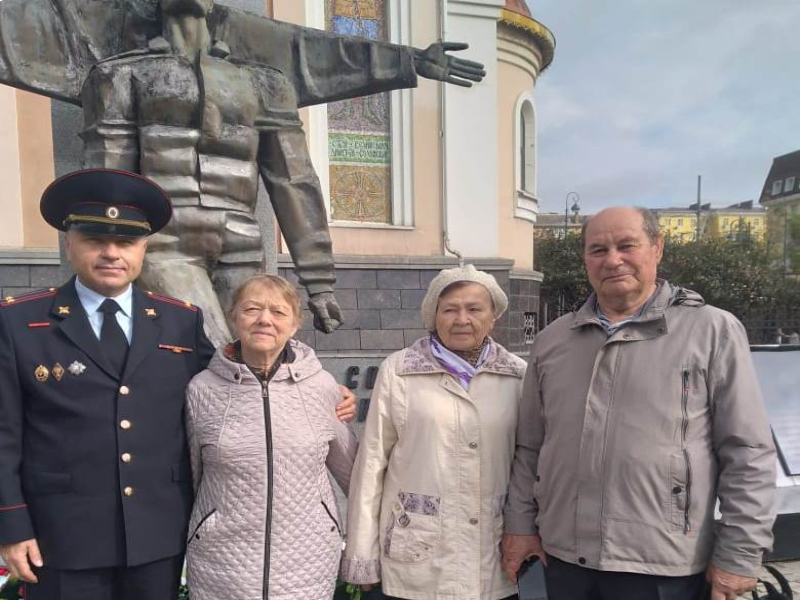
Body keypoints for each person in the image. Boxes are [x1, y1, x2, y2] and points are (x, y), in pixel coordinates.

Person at [0, 168, 357, 600]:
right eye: (95, 240)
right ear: (70, 243)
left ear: (144, 248)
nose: (112, 253)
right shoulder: (21, 323)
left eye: (126, 242)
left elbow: (234, 381)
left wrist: (317, 391)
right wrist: (12, 525)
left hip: (156, 534)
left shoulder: (178, 320)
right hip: (63, 533)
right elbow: (5, 435)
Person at [77, 0, 485, 344]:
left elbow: (294, 180)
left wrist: (319, 281)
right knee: (213, 348)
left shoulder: (265, 83)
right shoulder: (120, 76)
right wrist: (104, 264)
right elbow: (107, 182)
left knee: (257, 351)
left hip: (241, 239)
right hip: (166, 241)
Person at [502, 207, 777, 600]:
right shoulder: (553, 341)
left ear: (657, 248)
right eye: (598, 249)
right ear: (585, 259)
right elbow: (530, 447)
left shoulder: (712, 331)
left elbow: (747, 451)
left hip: (663, 566)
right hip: (564, 560)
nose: (612, 260)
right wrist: (519, 526)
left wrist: (739, 554)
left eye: (626, 245)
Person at [342, 264, 527, 599]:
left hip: (492, 553)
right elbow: (371, 464)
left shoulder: (517, 376)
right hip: (418, 552)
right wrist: (361, 551)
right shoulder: (399, 371)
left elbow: (528, 462)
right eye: (450, 309)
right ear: (433, 315)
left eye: (474, 309)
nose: (462, 319)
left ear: (493, 317)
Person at [184, 274, 357, 599]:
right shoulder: (202, 389)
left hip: (308, 561)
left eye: (278, 312)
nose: (265, 319)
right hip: (221, 563)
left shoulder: (322, 388)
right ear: (233, 317)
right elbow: (191, 475)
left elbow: (354, 474)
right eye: (252, 309)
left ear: (294, 325)